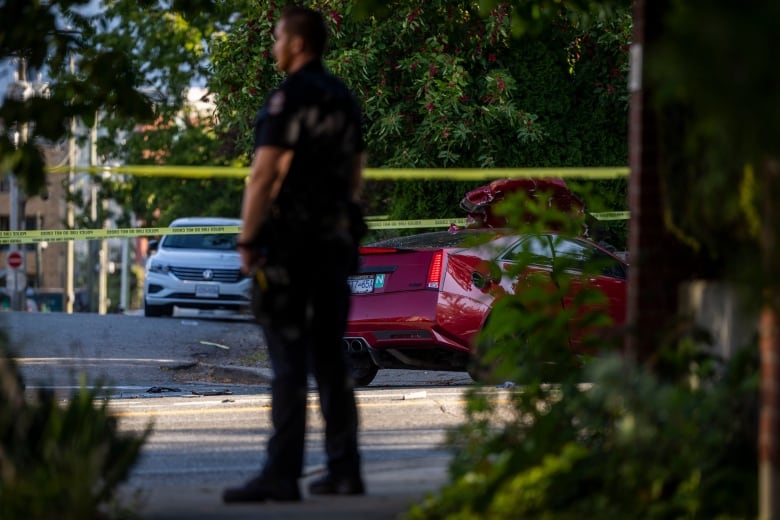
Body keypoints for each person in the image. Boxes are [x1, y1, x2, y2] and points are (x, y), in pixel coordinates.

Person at [223, 6, 366, 504]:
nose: (273, 45)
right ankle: (345, 470)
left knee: (287, 361)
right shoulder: (343, 98)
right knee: (330, 361)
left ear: (299, 44)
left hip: (292, 248)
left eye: (278, 37)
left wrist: (247, 240)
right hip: (335, 245)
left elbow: (266, 175)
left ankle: (281, 475)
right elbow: (355, 176)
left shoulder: (291, 99)